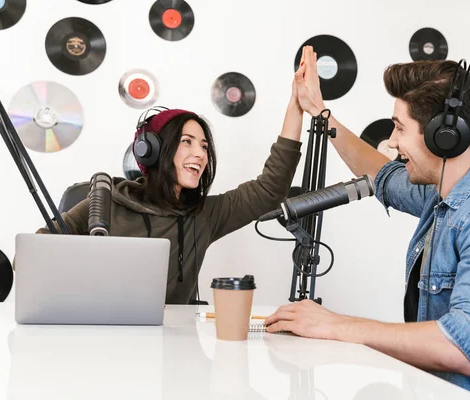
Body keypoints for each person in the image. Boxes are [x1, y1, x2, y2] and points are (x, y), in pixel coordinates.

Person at [264, 46, 470, 399]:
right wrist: (320, 112)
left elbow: (468, 345)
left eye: (399, 127)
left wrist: (336, 325)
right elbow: (383, 176)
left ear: (444, 136)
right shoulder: (448, 192)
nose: (391, 141)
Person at [36, 65, 310, 305]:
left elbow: (270, 188)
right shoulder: (105, 202)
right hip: (104, 342)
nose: (201, 154)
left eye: (204, 146)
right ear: (152, 151)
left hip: (176, 347)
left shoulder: (205, 215)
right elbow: (34, 254)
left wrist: (296, 105)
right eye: (187, 142)